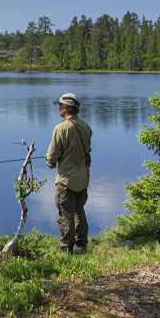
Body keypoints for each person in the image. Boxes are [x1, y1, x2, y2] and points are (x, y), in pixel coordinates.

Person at [45, 93, 93, 254]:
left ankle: (66, 249)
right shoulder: (86, 126)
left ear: (65, 108)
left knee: (65, 214)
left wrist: (50, 161)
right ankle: (81, 244)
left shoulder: (60, 128)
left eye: (60, 106)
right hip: (83, 178)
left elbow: (52, 157)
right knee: (79, 211)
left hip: (66, 180)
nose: (58, 108)